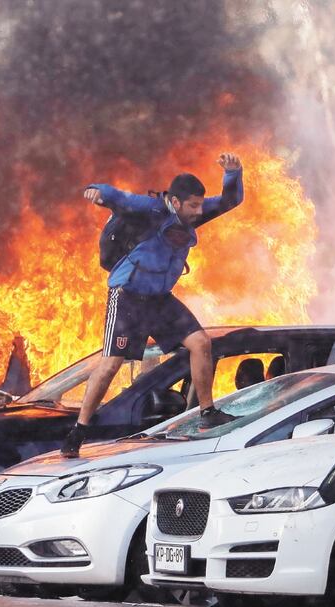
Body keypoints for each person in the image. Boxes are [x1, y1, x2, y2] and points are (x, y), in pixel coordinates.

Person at [61, 153, 244, 458]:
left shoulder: (194, 214)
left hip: (160, 300)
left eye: (200, 205)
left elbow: (230, 200)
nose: (199, 212)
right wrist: (96, 191)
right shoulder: (151, 210)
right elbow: (119, 198)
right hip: (128, 296)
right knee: (111, 364)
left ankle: (207, 413)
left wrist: (233, 174)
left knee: (201, 343)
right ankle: (78, 432)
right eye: (193, 206)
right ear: (175, 202)